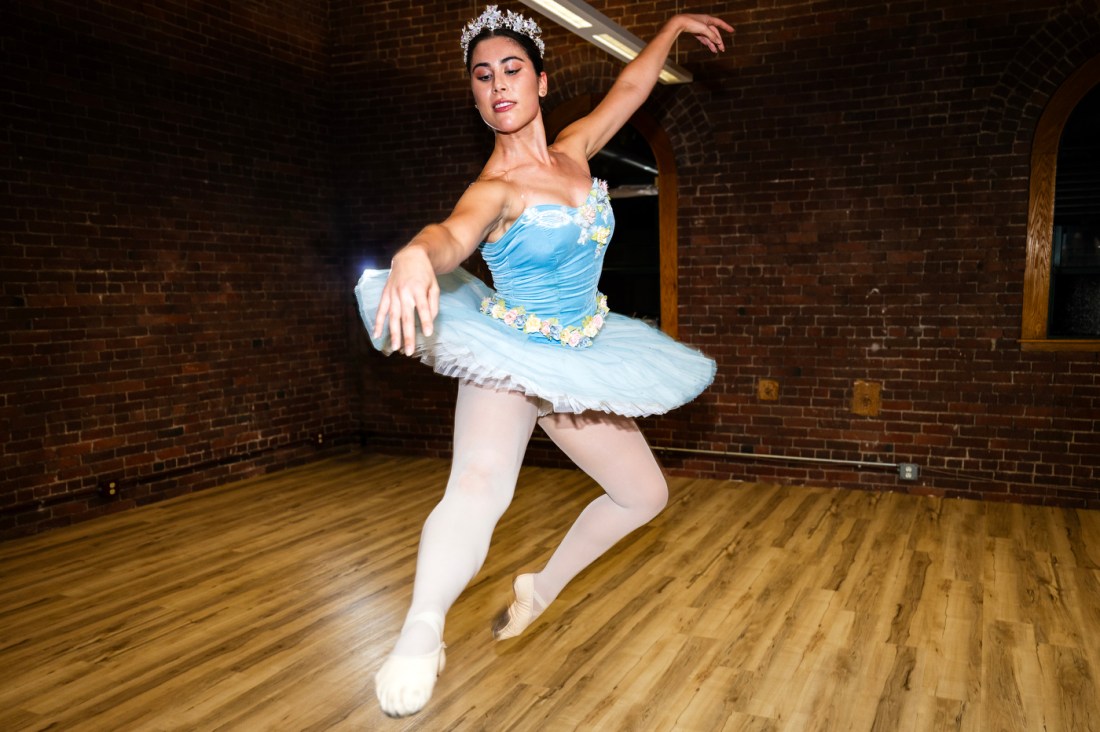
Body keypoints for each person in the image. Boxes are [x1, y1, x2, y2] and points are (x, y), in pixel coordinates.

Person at [355, 4, 730, 718]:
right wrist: (413, 254)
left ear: (541, 81)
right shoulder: (492, 191)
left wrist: (674, 28)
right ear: (475, 95)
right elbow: (449, 236)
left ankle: (541, 587)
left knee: (645, 497)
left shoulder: (576, 151)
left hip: (584, 351)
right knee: (478, 488)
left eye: (512, 69)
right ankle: (420, 630)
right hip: (515, 350)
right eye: (483, 75)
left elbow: (630, 90)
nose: (498, 84)